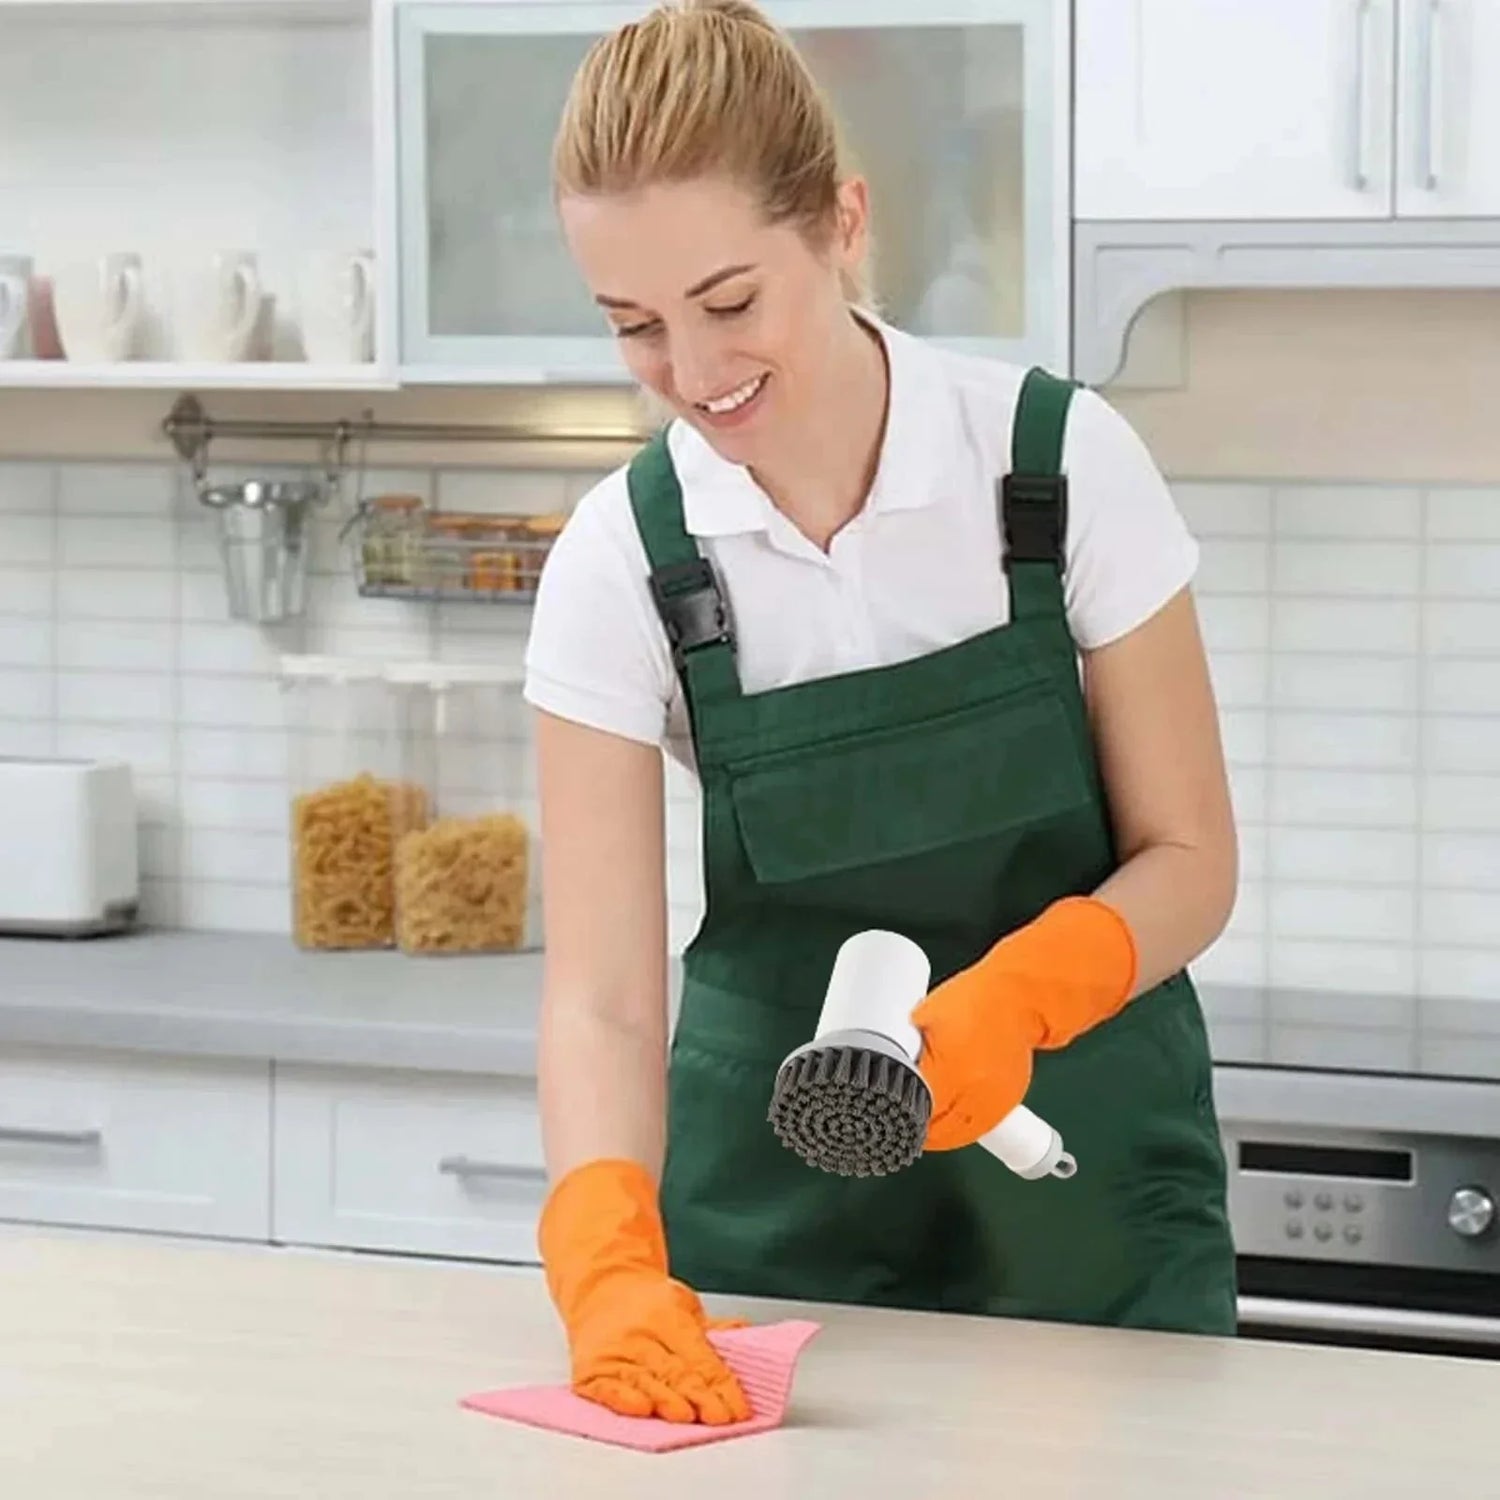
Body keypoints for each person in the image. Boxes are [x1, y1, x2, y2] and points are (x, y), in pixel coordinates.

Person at [522, 0, 1240, 1427]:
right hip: (778, 1224)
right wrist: (605, 1263)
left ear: (845, 222)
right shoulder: (624, 560)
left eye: (731, 302)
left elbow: (1191, 858)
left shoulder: (1053, 465)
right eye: (635, 326)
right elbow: (603, 999)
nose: (693, 368)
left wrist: (1018, 1003)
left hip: (1081, 1187)